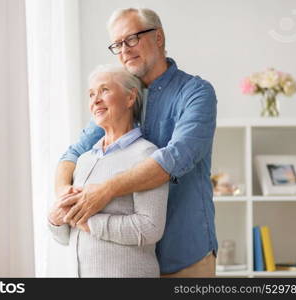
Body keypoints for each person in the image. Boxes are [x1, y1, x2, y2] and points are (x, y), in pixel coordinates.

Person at [56, 8, 218, 277]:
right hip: (132, 259)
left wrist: (105, 191)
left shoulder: (196, 93)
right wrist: (65, 198)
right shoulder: (121, 99)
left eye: (131, 39)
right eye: (117, 44)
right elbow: (72, 155)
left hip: (185, 251)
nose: (124, 51)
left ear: (158, 37)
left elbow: (173, 159)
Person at [48, 65, 169, 277]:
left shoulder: (146, 155)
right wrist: (55, 220)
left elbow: (150, 227)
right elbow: (66, 237)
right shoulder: (84, 160)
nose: (95, 100)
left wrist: (89, 222)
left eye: (104, 90)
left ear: (130, 98)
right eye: (91, 94)